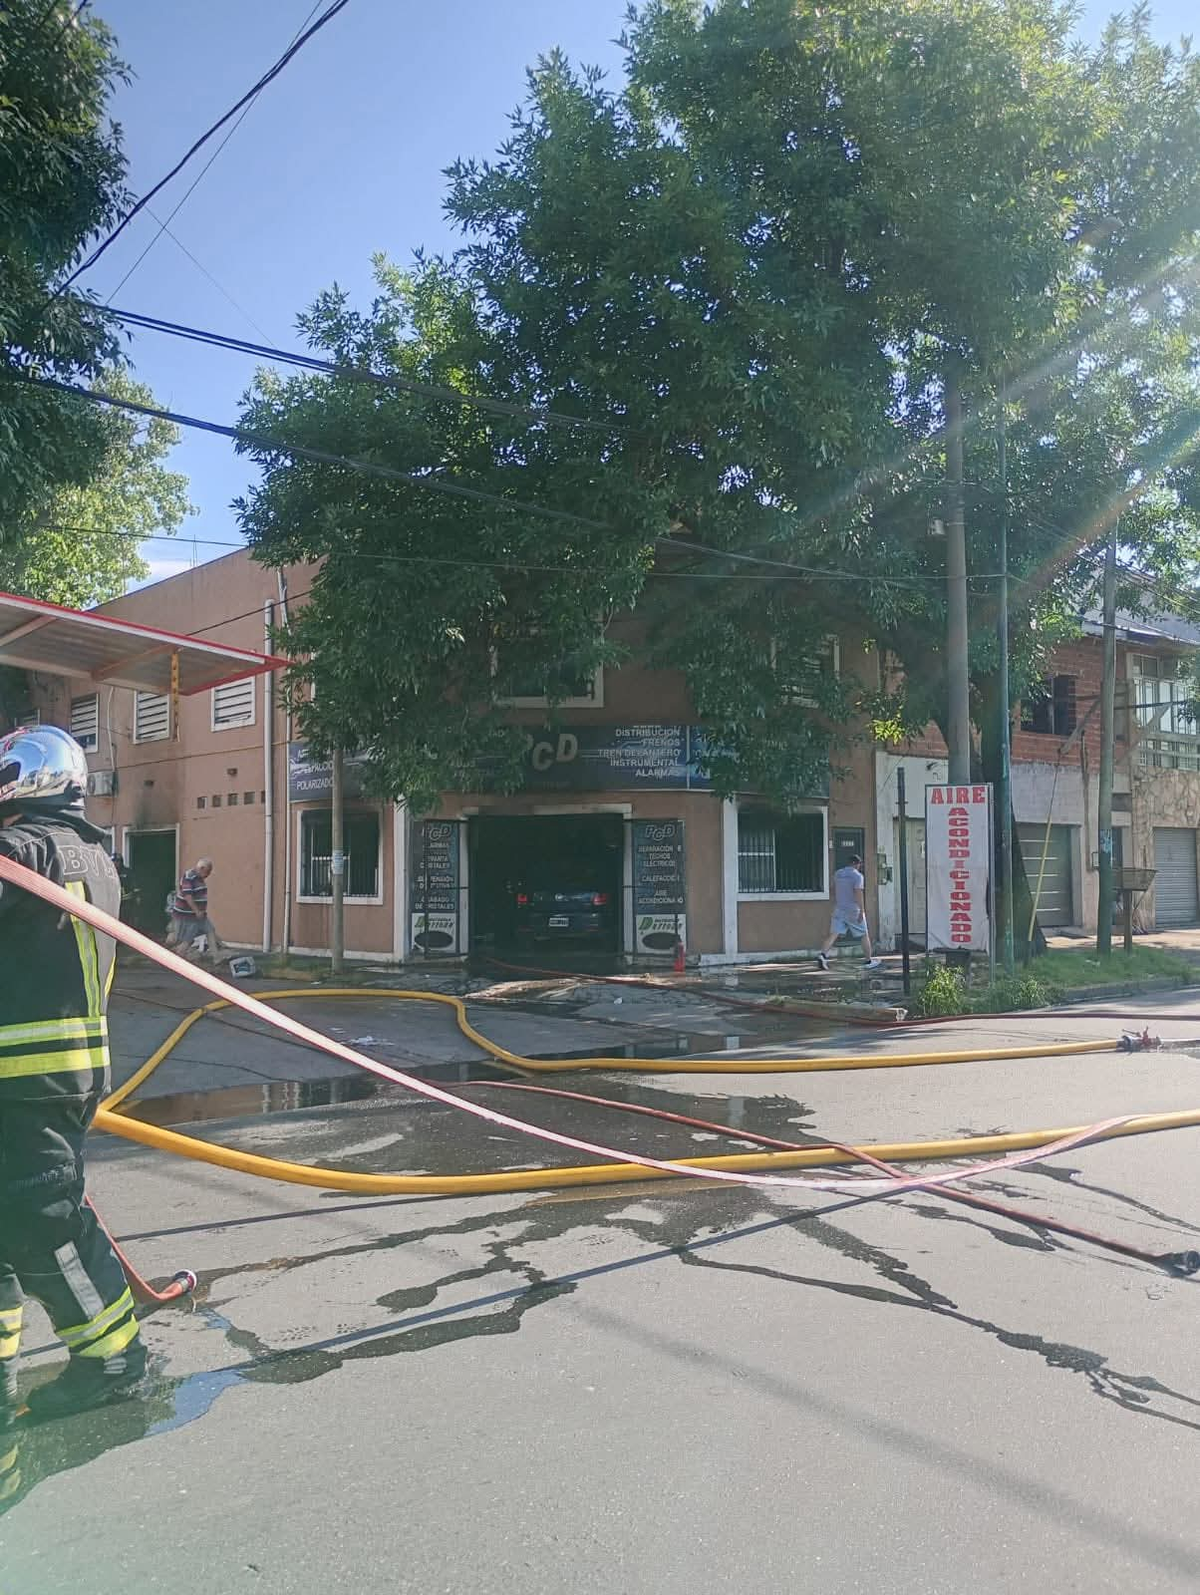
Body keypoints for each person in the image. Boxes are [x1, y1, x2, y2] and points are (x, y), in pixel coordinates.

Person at [0, 725, 146, 1426]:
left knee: (43, 1216)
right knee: (10, 1220)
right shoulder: (92, 853)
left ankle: (112, 1358)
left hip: (27, 1073)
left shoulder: (24, 850)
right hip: (63, 1068)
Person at [817, 853, 882, 971]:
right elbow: (858, 894)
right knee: (864, 935)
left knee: (833, 934)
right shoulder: (858, 876)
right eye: (858, 864)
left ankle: (822, 955)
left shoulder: (838, 873)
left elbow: (833, 890)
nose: (859, 867)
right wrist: (862, 911)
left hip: (839, 908)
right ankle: (868, 960)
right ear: (855, 863)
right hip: (853, 910)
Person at [169, 856, 219, 964]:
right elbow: (188, 896)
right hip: (188, 915)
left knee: (210, 930)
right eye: (207, 872)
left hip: (200, 914)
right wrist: (196, 911)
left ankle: (216, 958)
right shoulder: (189, 877)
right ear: (201, 868)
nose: (208, 875)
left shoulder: (200, 877)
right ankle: (175, 959)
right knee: (188, 939)